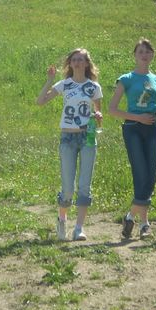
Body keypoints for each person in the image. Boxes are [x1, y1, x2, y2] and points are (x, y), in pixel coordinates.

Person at [108, 38, 156, 240]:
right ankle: (145, 224)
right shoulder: (126, 79)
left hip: (152, 129)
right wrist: (138, 117)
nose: (144, 55)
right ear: (135, 56)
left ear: (152, 55)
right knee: (140, 173)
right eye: (140, 52)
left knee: (151, 175)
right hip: (133, 128)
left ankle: (130, 216)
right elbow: (112, 109)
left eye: (147, 52)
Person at [37, 48, 103, 242]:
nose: (77, 63)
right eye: (74, 60)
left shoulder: (94, 87)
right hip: (67, 137)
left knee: (84, 184)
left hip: (88, 137)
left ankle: (79, 228)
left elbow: (99, 115)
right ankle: (62, 220)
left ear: (87, 64)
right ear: (70, 63)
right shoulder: (64, 84)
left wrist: (98, 116)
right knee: (68, 187)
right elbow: (40, 101)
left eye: (81, 60)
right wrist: (49, 80)